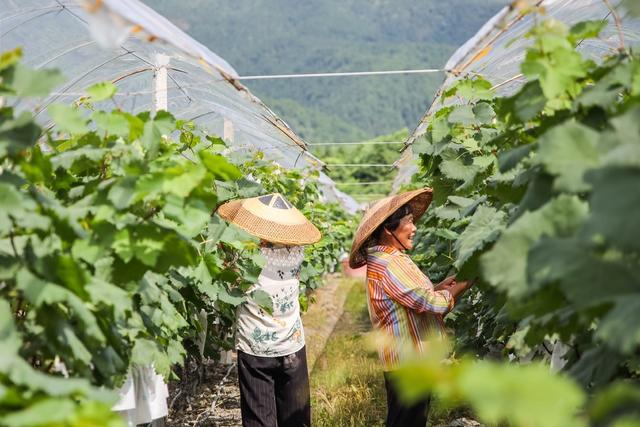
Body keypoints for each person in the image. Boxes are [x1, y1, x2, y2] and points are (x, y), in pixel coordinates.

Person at [349, 188, 473, 427]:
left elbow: (408, 297)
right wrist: (466, 281)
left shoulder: (388, 258)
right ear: (388, 229)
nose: (414, 227)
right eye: (408, 221)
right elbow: (430, 304)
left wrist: (438, 286)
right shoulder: (389, 264)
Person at [217, 193, 321, 427]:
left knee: (259, 419)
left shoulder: (242, 257)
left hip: (255, 348)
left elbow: (223, 239)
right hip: (291, 346)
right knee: (296, 418)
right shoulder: (297, 254)